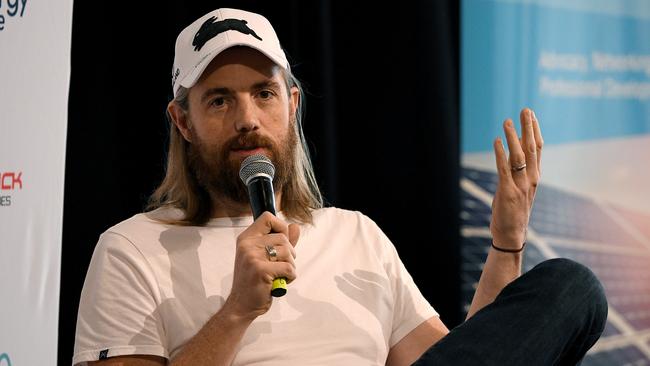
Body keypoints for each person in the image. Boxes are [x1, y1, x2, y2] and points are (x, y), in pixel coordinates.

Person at [73, 8, 607, 366]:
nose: (247, 119)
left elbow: (468, 357)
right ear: (182, 122)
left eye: (264, 94)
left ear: (293, 105)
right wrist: (236, 309)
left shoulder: (356, 234)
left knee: (571, 286)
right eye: (219, 100)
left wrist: (506, 240)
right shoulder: (132, 248)